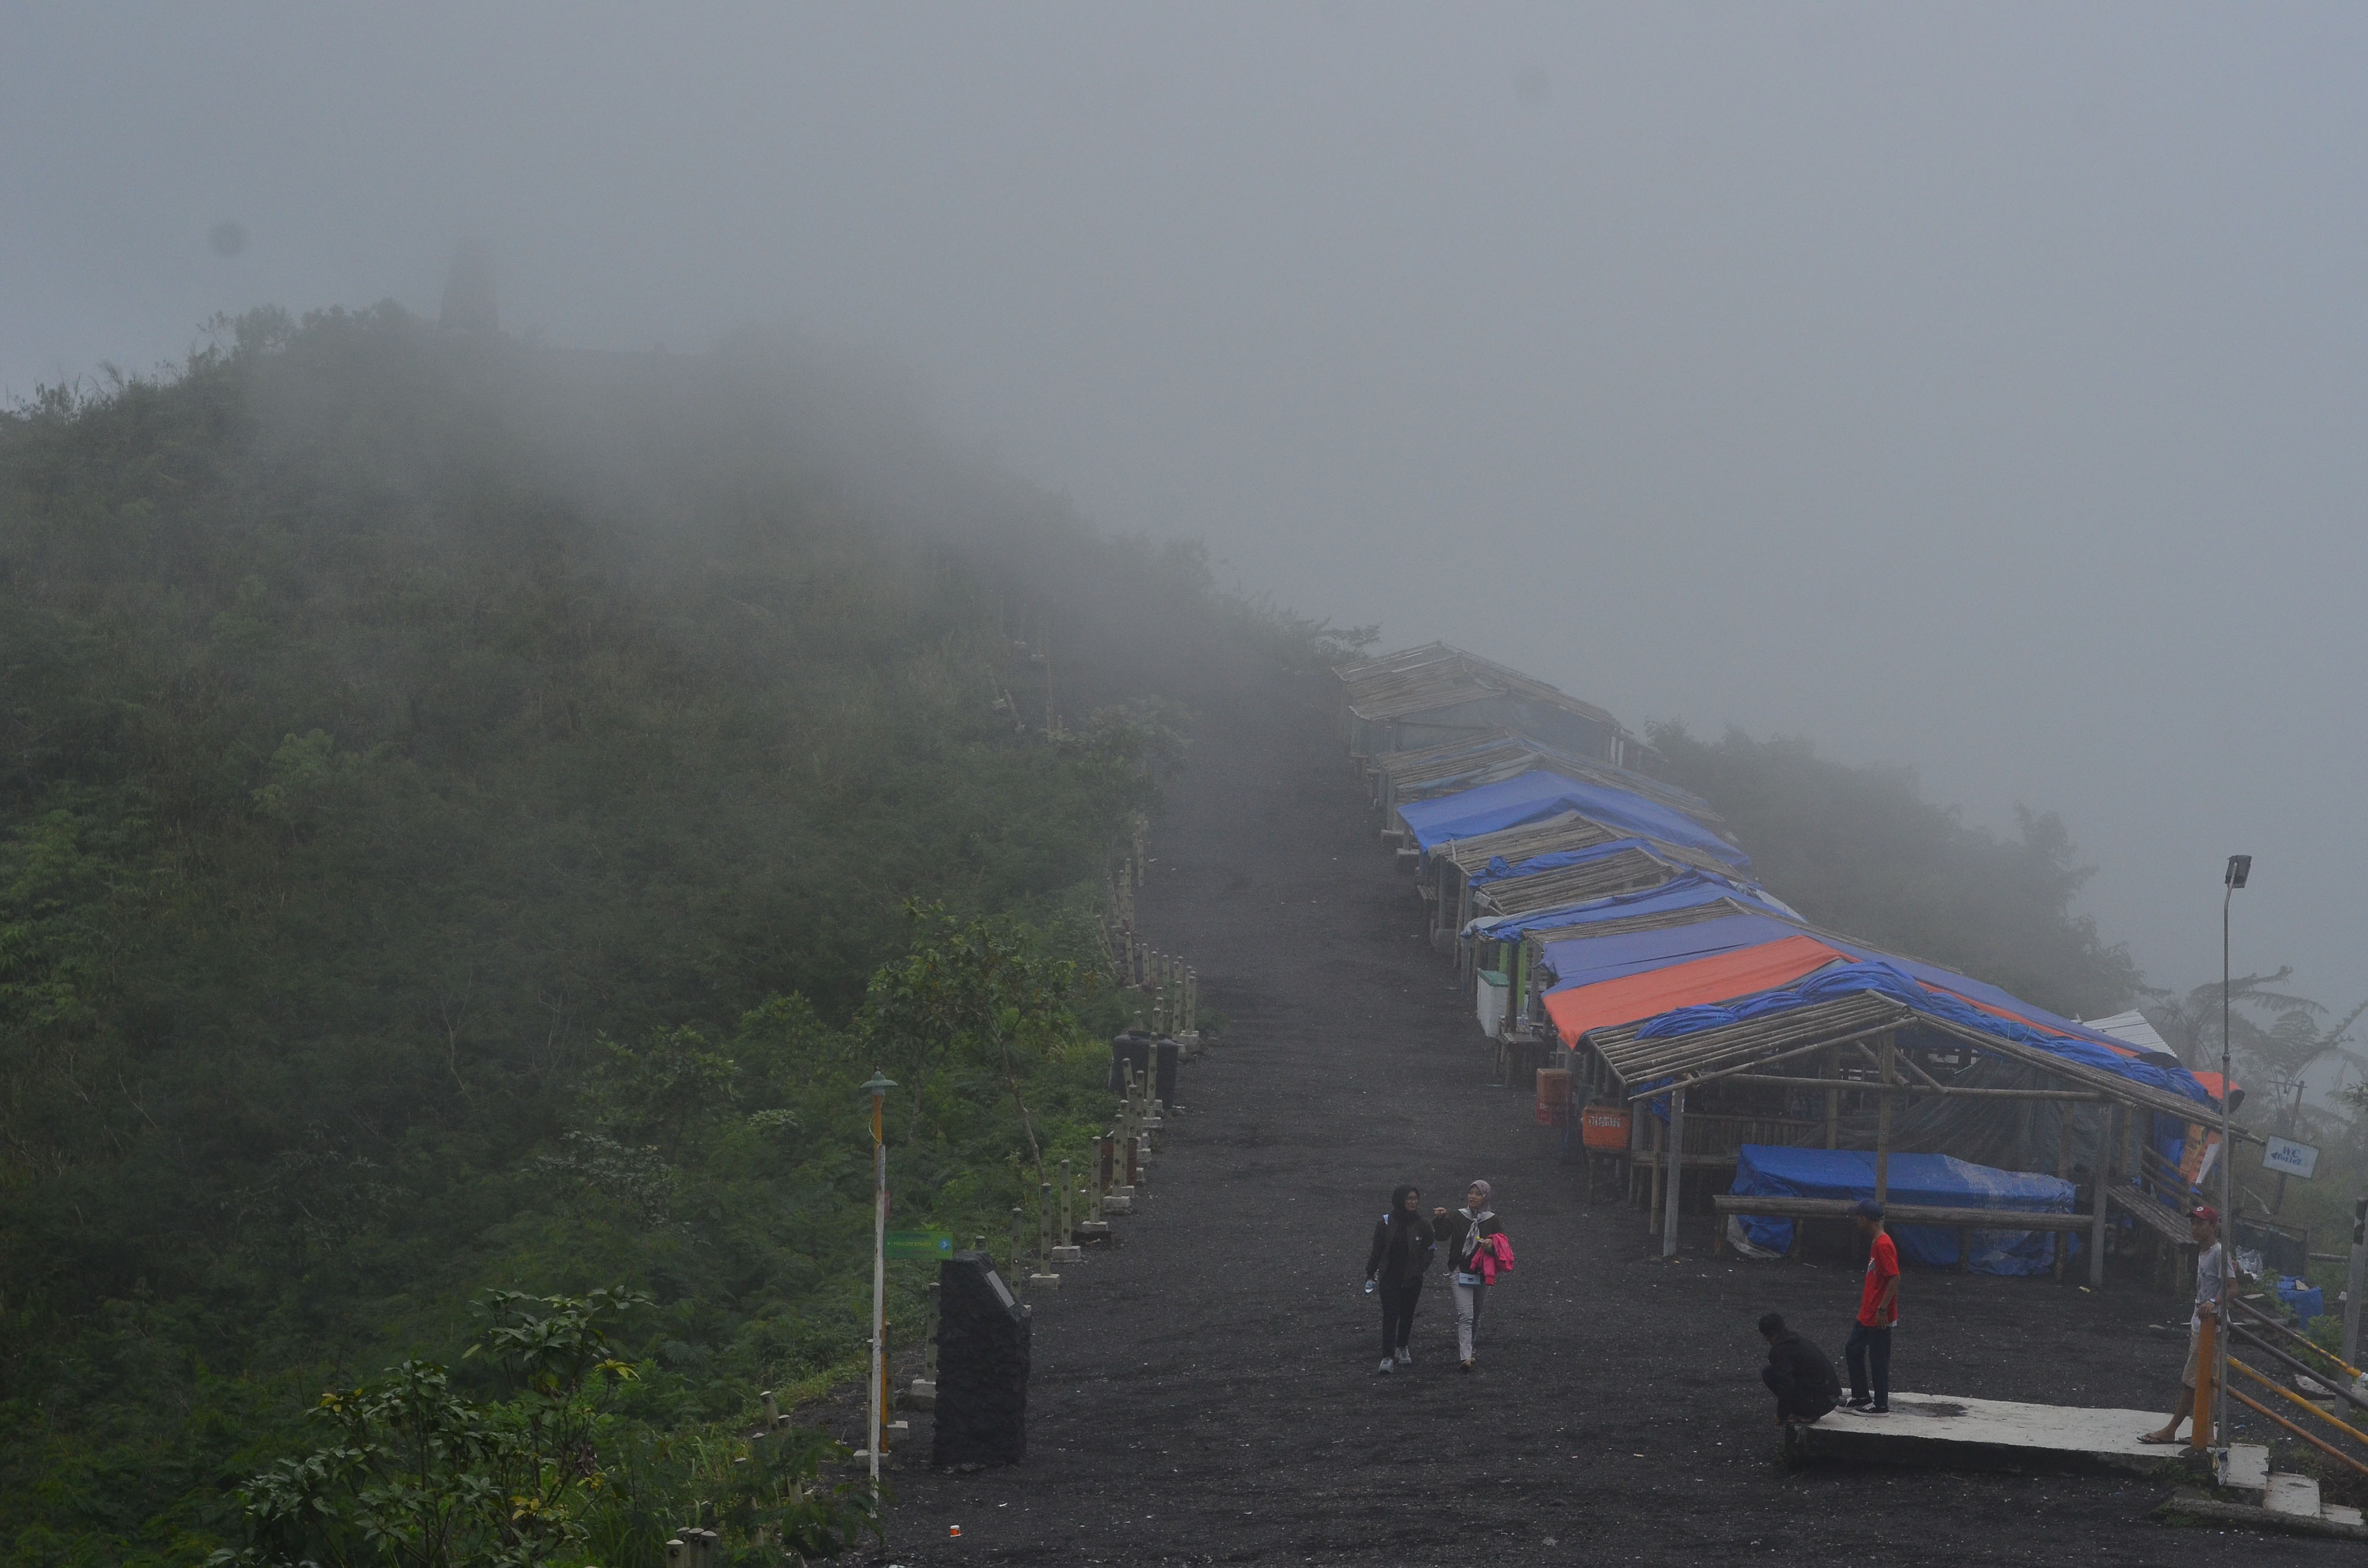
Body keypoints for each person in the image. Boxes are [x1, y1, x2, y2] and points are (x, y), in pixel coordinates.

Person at [2142, 1205, 2235, 1444]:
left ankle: (2172, 1429)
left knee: (2191, 1381)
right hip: (2201, 1324)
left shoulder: (2218, 1252)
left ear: (2213, 1226)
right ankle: (2207, 1434)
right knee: (2206, 1381)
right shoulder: (2204, 1252)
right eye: (2193, 1223)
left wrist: (2213, 1302)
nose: (2194, 1228)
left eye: (2200, 1224)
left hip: (2211, 1326)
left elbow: (2233, 1287)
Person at [1433, 1180, 1506, 1374]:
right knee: (1466, 1314)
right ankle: (1465, 1356)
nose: (1473, 1197)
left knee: (1477, 1313)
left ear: (1486, 1197)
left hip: (1482, 1272)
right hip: (1461, 1270)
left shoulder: (1492, 1220)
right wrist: (1440, 1219)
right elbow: (1441, 1236)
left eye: (1478, 1194)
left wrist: (1491, 1246)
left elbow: (1503, 1247)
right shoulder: (1458, 1216)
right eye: (1471, 1193)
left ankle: (1471, 1348)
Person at [1365, 1184, 1435, 1373]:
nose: (1413, 1202)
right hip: (1390, 1277)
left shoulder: (1423, 1224)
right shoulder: (1386, 1223)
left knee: (1407, 1314)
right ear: (1400, 1201)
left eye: (1415, 1199)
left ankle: (1402, 1347)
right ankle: (1387, 1357)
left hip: (1412, 1278)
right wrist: (1370, 1272)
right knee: (1390, 1315)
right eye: (1409, 1199)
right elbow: (1377, 1249)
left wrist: (1421, 1269)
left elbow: (1430, 1249)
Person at [1842, 1199, 1899, 1414]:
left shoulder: (1883, 1245)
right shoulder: (1877, 1242)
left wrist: (1883, 1309)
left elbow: (1895, 1278)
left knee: (1878, 1359)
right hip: (1869, 1312)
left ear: (1865, 1219)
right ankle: (1861, 1395)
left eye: (1858, 1217)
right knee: (1853, 1349)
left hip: (1878, 1314)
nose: (1856, 1220)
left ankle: (1881, 1404)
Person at [1759, 1312, 1841, 1425]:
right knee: (1776, 1373)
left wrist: (1781, 1415)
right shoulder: (1798, 1341)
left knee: (1769, 1373)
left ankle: (1806, 1413)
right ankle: (1806, 1410)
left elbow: (1786, 1385)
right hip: (1831, 1398)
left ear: (1768, 1335)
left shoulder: (1779, 1351)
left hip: (1822, 1403)